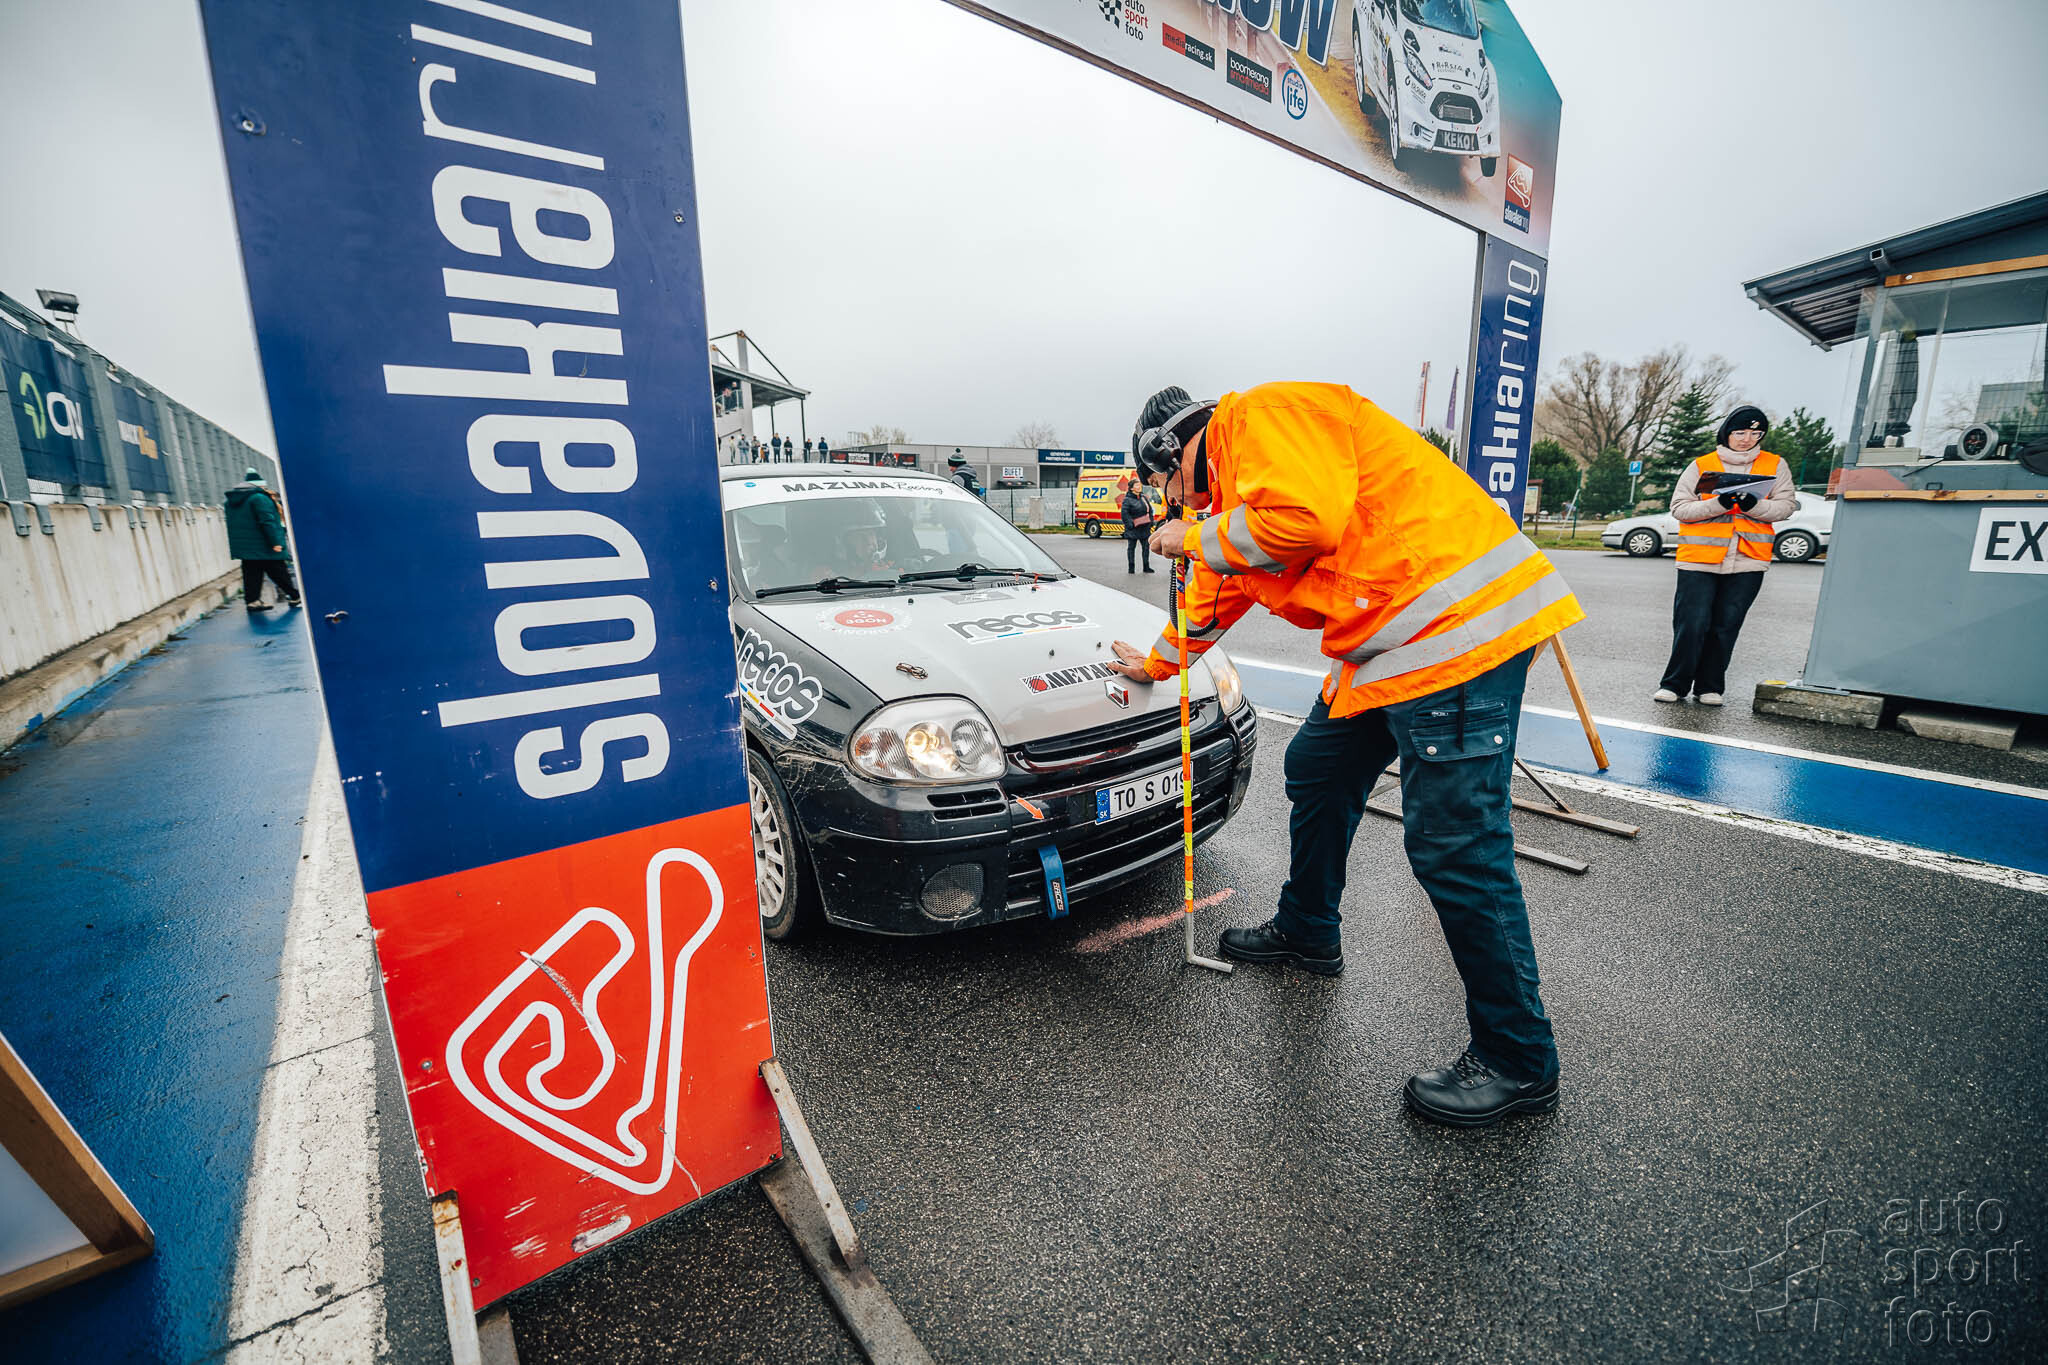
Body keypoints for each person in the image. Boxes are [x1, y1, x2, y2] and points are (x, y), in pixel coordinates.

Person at [1105, 384, 1584, 1127]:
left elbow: (1304, 521)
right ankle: (1308, 928)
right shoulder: (1237, 500)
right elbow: (1214, 599)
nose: (1168, 501)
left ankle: (1518, 1058)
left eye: (1163, 483)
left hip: (1457, 633)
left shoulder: (1258, 420)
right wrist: (1158, 664)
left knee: (1456, 846)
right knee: (1318, 767)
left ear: (1174, 451)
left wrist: (1188, 536)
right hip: (1390, 646)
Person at [1655, 405, 1795, 706]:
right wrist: (1720, 503)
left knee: (1726, 626)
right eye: (1740, 432)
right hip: (1699, 558)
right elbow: (1680, 508)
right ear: (1727, 433)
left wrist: (1753, 506)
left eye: (1755, 433)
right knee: (1691, 624)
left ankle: (1710, 687)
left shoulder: (1774, 465)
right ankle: (1674, 684)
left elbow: (1786, 506)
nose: (1747, 439)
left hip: (1748, 558)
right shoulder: (1704, 465)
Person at [224, 467, 300, 612]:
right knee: (278, 571)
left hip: (246, 545)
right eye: (264, 486)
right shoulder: (259, 498)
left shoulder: (231, 501)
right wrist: (275, 542)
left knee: (251, 572)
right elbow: (267, 521)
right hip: (264, 544)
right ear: (259, 486)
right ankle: (295, 596)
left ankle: (252, 601)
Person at [1119, 478, 1156, 573]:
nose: (1139, 486)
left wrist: (1151, 521)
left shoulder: (1143, 497)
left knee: (1146, 548)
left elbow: (1150, 510)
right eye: (1137, 485)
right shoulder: (1127, 500)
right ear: (1131, 488)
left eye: (1140, 485)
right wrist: (1130, 525)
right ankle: (1131, 568)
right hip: (1133, 528)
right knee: (1131, 548)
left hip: (1145, 527)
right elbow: (1124, 514)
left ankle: (1146, 567)